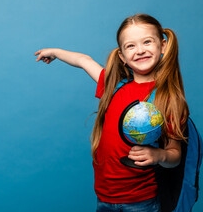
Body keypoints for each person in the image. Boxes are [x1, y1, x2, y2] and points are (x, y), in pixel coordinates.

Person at [34, 14, 189, 212]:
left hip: (141, 200)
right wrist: (55, 51)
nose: (140, 50)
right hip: (104, 196)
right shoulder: (113, 86)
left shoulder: (168, 99)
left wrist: (158, 155)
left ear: (163, 46)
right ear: (122, 57)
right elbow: (83, 60)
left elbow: (175, 155)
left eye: (147, 42)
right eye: (130, 46)